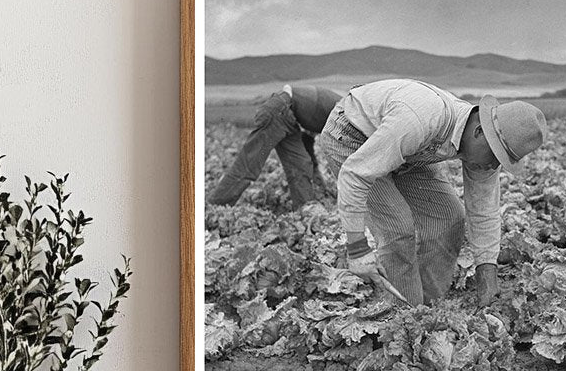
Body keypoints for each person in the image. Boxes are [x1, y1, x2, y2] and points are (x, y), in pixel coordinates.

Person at [319, 79, 547, 307]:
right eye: (495, 157)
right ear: (479, 132)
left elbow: (484, 210)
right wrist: (357, 249)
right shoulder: (422, 119)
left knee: (448, 218)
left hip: (408, 148)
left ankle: (429, 307)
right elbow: (355, 174)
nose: (492, 166)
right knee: (398, 230)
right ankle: (402, 319)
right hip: (352, 136)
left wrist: (487, 271)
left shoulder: (483, 152)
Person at [208, 84, 341, 208]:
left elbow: (308, 142)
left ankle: (306, 210)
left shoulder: (337, 114)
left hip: (289, 118)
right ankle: (214, 206)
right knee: (250, 165)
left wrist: (318, 178)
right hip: (279, 111)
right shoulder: (346, 115)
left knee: (301, 165)